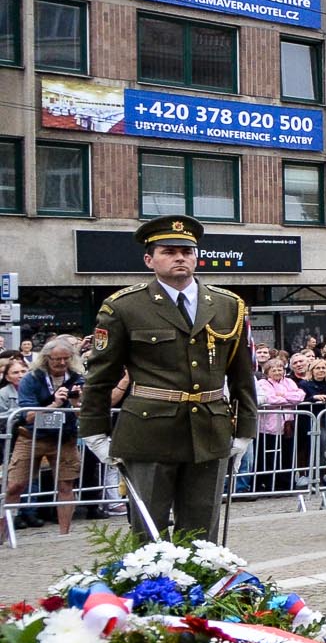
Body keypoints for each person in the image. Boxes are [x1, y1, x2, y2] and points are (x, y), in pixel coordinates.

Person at [78, 216, 256, 542]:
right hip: (149, 433)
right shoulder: (124, 307)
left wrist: (245, 428)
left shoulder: (228, 305)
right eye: (169, 251)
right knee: (148, 535)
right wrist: (94, 431)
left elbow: (243, 375)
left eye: (187, 252)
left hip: (209, 430)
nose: (180, 258)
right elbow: (101, 377)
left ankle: (199, 591)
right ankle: (152, 594)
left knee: (202, 537)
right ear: (149, 259)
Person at [6, 337, 86, 534]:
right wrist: (55, 404)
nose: (61, 363)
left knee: (66, 485)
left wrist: (78, 401)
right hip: (32, 436)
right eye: (56, 359)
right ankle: (3, 534)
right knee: (16, 485)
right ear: (46, 358)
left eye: (66, 359)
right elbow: (28, 415)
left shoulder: (77, 377)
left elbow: (84, 412)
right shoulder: (31, 379)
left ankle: (64, 535)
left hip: (64, 437)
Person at [253, 356, 306, 492]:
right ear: (268, 372)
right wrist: (286, 397)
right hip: (269, 427)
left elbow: (300, 396)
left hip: (287, 425)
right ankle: (268, 483)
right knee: (268, 456)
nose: (277, 372)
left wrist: (283, 396)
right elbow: (269, 399)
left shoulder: (289, 382)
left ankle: (286, 483)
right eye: (274, 370)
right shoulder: (263, 383)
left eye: (280, 369)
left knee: (287, 455)